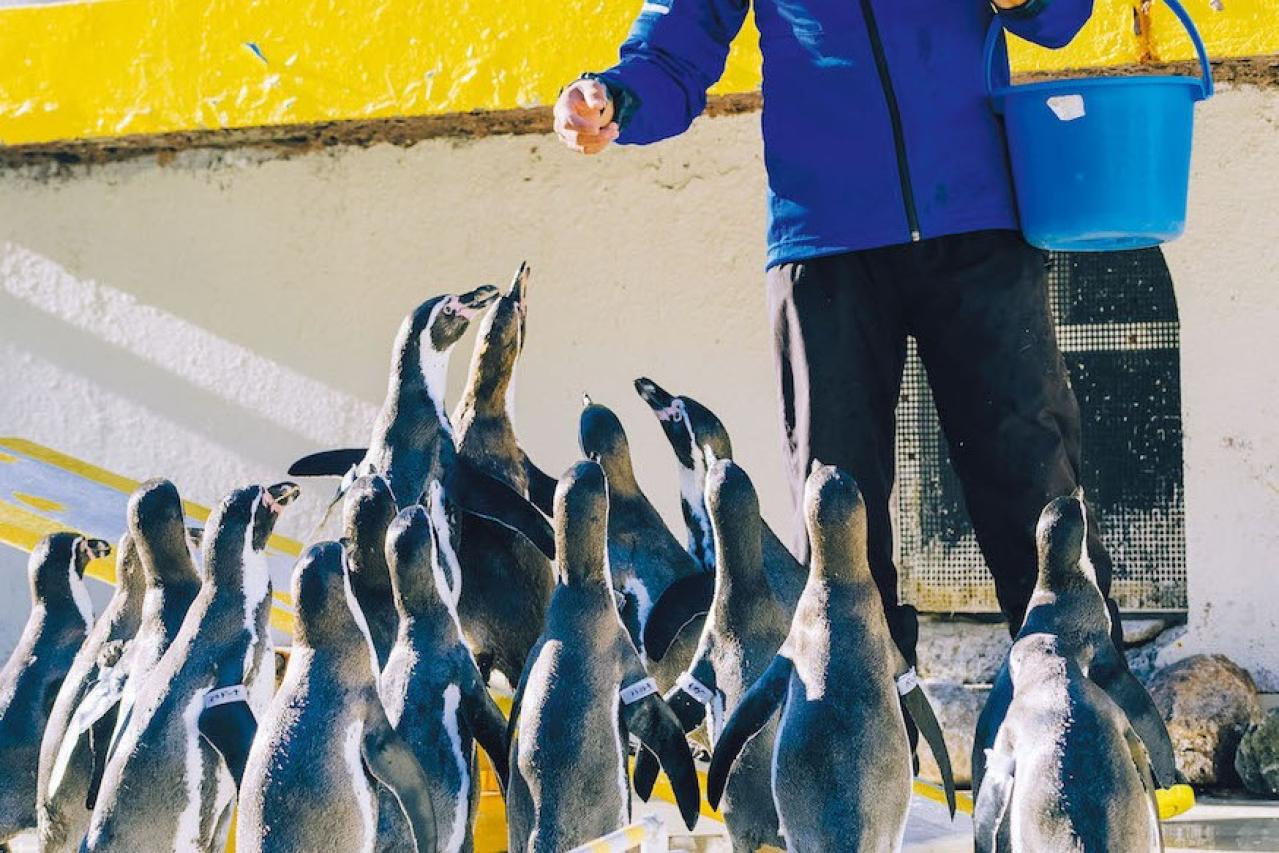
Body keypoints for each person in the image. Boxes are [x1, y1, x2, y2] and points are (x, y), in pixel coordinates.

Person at [551, 0, 1116, 667]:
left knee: (1035, 492)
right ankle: (864, 753)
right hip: (822, 241)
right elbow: (675, 47)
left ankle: (1092, 724)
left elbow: (1055, 20)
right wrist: (615, 96)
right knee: (838, 522)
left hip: (977, 216)